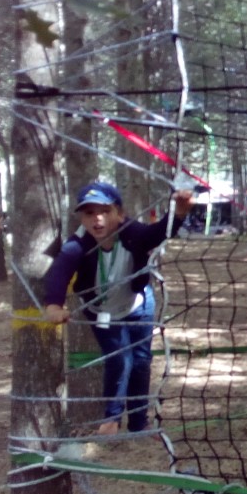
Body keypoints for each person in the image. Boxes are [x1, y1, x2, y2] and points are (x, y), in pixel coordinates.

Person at [43, 181, 193, 436]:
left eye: (105, 211)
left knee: (141, 362)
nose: (97, 218)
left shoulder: (132, 232)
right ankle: (111, 418)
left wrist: (179, 212)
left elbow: (158, 233)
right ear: (81, 218)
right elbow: (59, 273)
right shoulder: (77, 245)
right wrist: (54, 306)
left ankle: (138, 422)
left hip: (139, 303)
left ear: (119, 214)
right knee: (120, 359)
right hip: (103, 313)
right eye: (89, 213)